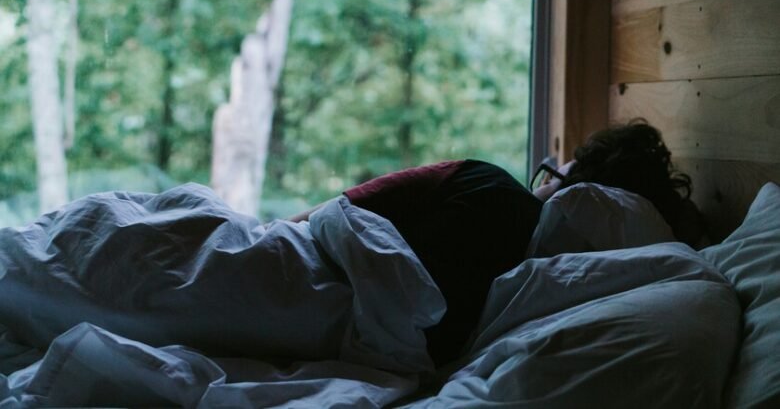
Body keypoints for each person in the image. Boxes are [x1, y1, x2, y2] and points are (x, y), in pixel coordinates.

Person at [291, 119, 702, 367]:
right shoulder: (546, 295)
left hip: (296, 275)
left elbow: (325, 215)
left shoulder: (482, 181)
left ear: (566, 185)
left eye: (551, 172)